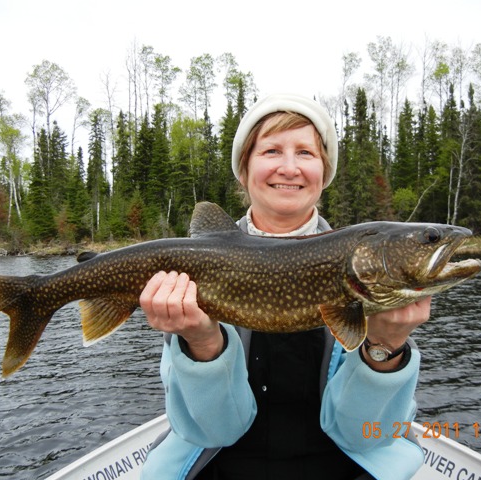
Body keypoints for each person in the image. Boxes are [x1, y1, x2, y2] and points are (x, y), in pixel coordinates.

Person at [139, 93, 431, 480]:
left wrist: (387, 346)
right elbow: (212, 433)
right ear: (244, 170)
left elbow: (364, 437)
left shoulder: (365, 265)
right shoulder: (186, 267)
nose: (289, 167)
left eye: (306, 153)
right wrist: (203, 344)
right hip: (221, 465)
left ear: (323, 172)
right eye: (272, 150)